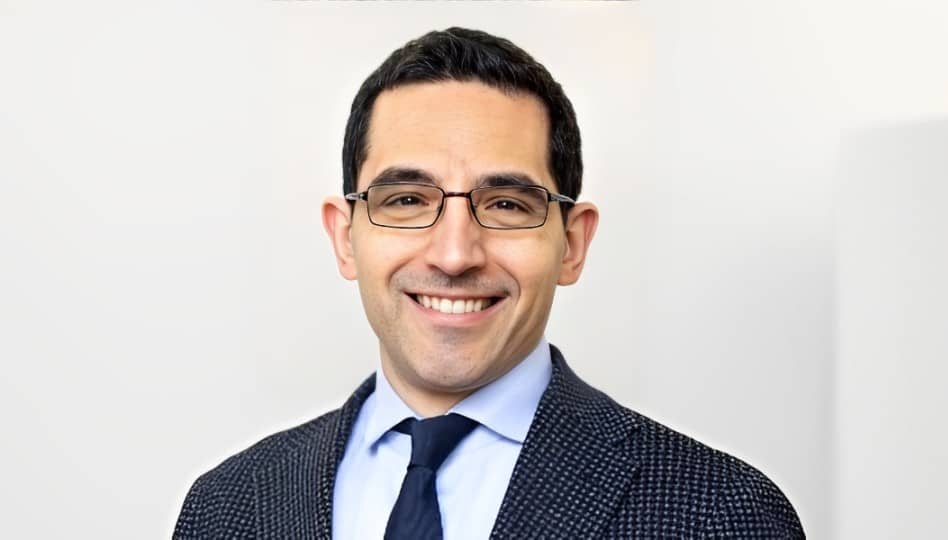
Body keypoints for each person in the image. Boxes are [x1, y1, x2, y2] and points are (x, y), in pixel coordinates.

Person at [174, 27, 804, 539]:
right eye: (406, 200)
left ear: (572, 244)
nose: (454, 255)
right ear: (345, 237)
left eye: (506, 204)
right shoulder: (227, 508)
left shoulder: (723, 515)